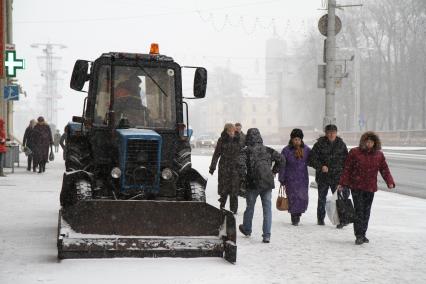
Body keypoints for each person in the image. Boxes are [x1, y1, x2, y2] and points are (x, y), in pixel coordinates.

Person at [338, 131, 395, 245]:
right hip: (356, 186)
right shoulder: (355, 152)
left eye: (371, 142)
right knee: (359, 211)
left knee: (366, 212)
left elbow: (384, 169)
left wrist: (390, 181)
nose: (369, 144)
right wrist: (342, 183)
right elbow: (347, 169)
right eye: (367, 142)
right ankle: (358, 235)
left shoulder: (379, 155)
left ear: (375, 143)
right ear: (363, 142)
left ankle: (363, 234)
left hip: (370, 187)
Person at [238, 128, 282, 243]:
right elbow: (282, 160)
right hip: (267, 182)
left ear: (248, 137)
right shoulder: (267, 150)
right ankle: (266, 235)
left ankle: (247, 229)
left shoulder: (245, 151)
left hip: (252, 183)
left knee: (250, 207)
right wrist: (274, 171)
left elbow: (240, 165)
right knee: (267, 209)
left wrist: (243, 178)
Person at [309, 124, 348, 227]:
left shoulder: (341, 144)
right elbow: (311, 159)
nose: (331, 134)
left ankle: (340, 220)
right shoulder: (319, 144)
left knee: (338, 199)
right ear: (325, 133)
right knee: (322, 198)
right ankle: (320, 219)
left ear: (336, 133)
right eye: (329, 132)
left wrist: (344, 175)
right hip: (323, 177)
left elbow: (346, 161)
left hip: (337, 177)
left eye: (333, 132)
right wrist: (321, 166)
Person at [279, 129, 311, 226]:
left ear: (301, 139)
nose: (296, 141)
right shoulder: (286, 150)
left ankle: (298, 214)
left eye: (298, 139)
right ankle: (294, 216)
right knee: (292, 198)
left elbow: (312, 160)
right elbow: (282, 165)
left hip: (302, 178)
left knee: (302, 197)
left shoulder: (306, 150)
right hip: (290, 178)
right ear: (291, 139)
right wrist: (282, 178)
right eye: (295, 139)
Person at [209, 123, 241, 214]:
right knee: (224, 189)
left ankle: (233, 210)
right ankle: (222, 207)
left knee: (234, 190)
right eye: (230, 131)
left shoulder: (237, 139)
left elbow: (242, 154)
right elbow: (216, 154)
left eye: (233, 131)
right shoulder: (222, 140)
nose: (232, 132)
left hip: (235, 168)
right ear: (226, 131)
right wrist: (212, 167)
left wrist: (242, 166)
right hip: (224, 168)